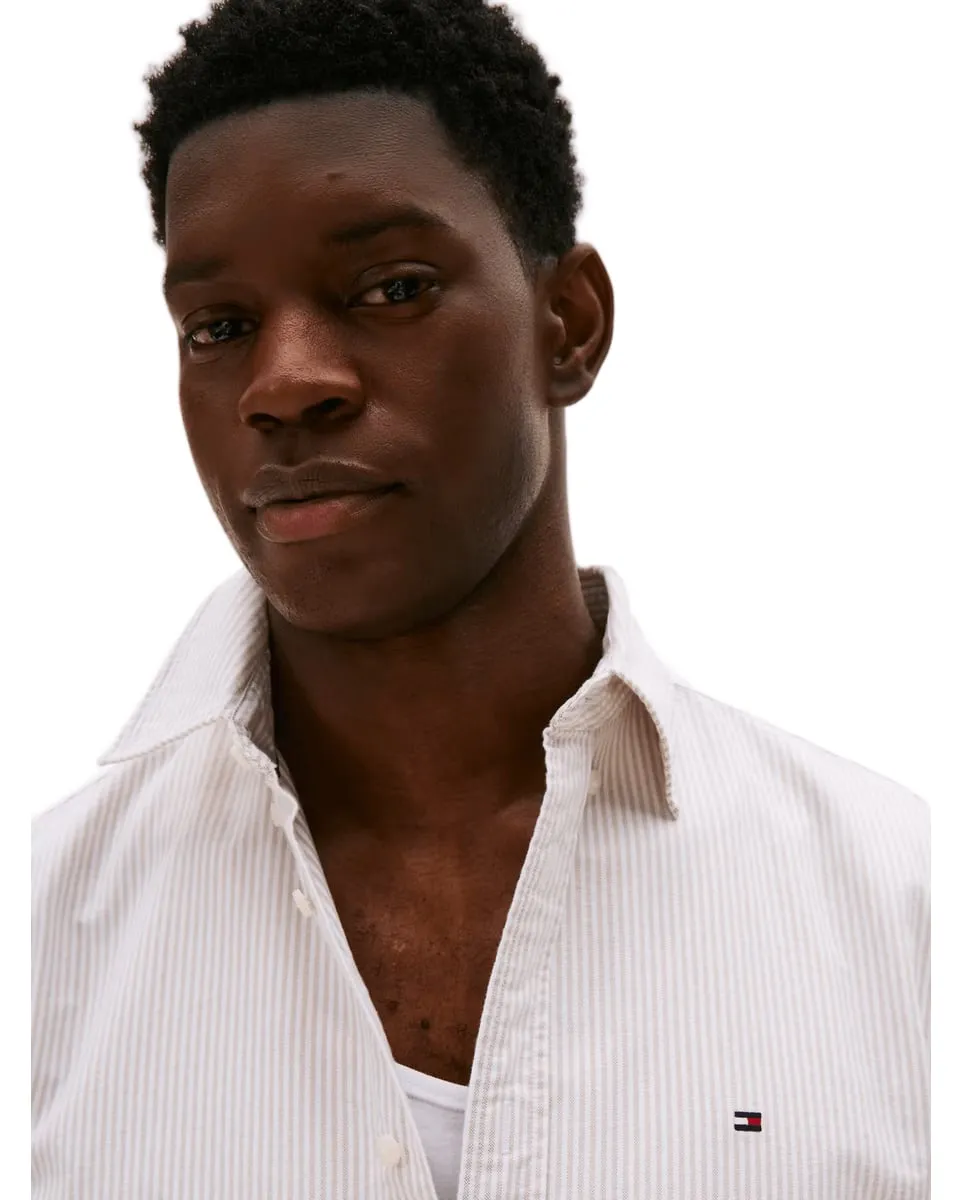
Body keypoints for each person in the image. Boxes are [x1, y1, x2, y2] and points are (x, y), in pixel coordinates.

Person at [31, 1, 930, 1197]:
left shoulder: (898, 903)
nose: (283, 383)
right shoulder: (45, 936)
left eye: (390, 287)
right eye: (220, 326)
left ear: (568, 325)